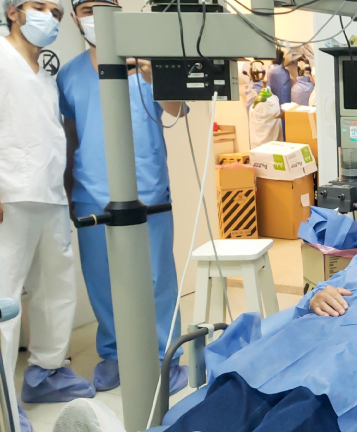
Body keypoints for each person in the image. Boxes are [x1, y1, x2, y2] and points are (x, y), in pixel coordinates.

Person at [51, 217, 357, 432]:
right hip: (328, 321)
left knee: (315, 399)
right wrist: (315, 297)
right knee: (248, 382)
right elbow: (331, 275)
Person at [57, 0, 188, 394]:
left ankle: (167, 357)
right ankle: (114, 355)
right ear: (77, 18)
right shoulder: (70, 76)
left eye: (106, 7)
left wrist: (155, 78)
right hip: (90, 196)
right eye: (87, 10)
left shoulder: (145, 67)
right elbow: (69, 137)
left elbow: (177, 109)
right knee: (102, 282)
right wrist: (67, 191)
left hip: (148, 193)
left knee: (156, 281)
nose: (97, 17)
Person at [0, 0, 96, 430]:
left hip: (51, 194)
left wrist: (68, 189)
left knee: (56, 290)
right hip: (10, 195)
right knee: (5, 302)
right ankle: (3, 402)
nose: (49, 17)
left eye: (56, 13)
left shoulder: (45, 72)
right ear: (12, 12)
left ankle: (45, 373)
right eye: (39, 7)